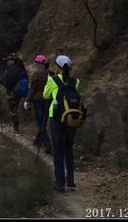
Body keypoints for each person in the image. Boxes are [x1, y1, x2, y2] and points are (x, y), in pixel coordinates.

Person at [43, 54, 81, 193]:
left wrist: (50, 81)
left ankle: (60, 183)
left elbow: (45, 95)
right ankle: (71, 180)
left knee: (58, 150)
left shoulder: (53, 80)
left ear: (58, 67)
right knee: (68, 148)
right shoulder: (76, 81)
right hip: (71, 119)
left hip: (56, 119)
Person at [0, 52, 28, 135]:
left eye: (8, 60)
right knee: (15, 109)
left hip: (13, 92)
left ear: (11, 60)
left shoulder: (12, 68)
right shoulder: (21, 67)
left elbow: (8, 79)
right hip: (20, 92)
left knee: (13, 110)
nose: (7, 62)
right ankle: (16, 129)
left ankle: (16, 130)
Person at [24, 54, 53, 154]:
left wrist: (27, 100)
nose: (36, 65)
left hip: (38, 100)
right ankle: (37, 141)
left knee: (40, 123)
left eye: (36, 63)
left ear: (39, 63)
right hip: (48, 100)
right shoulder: (51, 74)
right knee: (43, 121)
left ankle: (47, 143)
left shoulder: (36, 75)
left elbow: (32, 90)